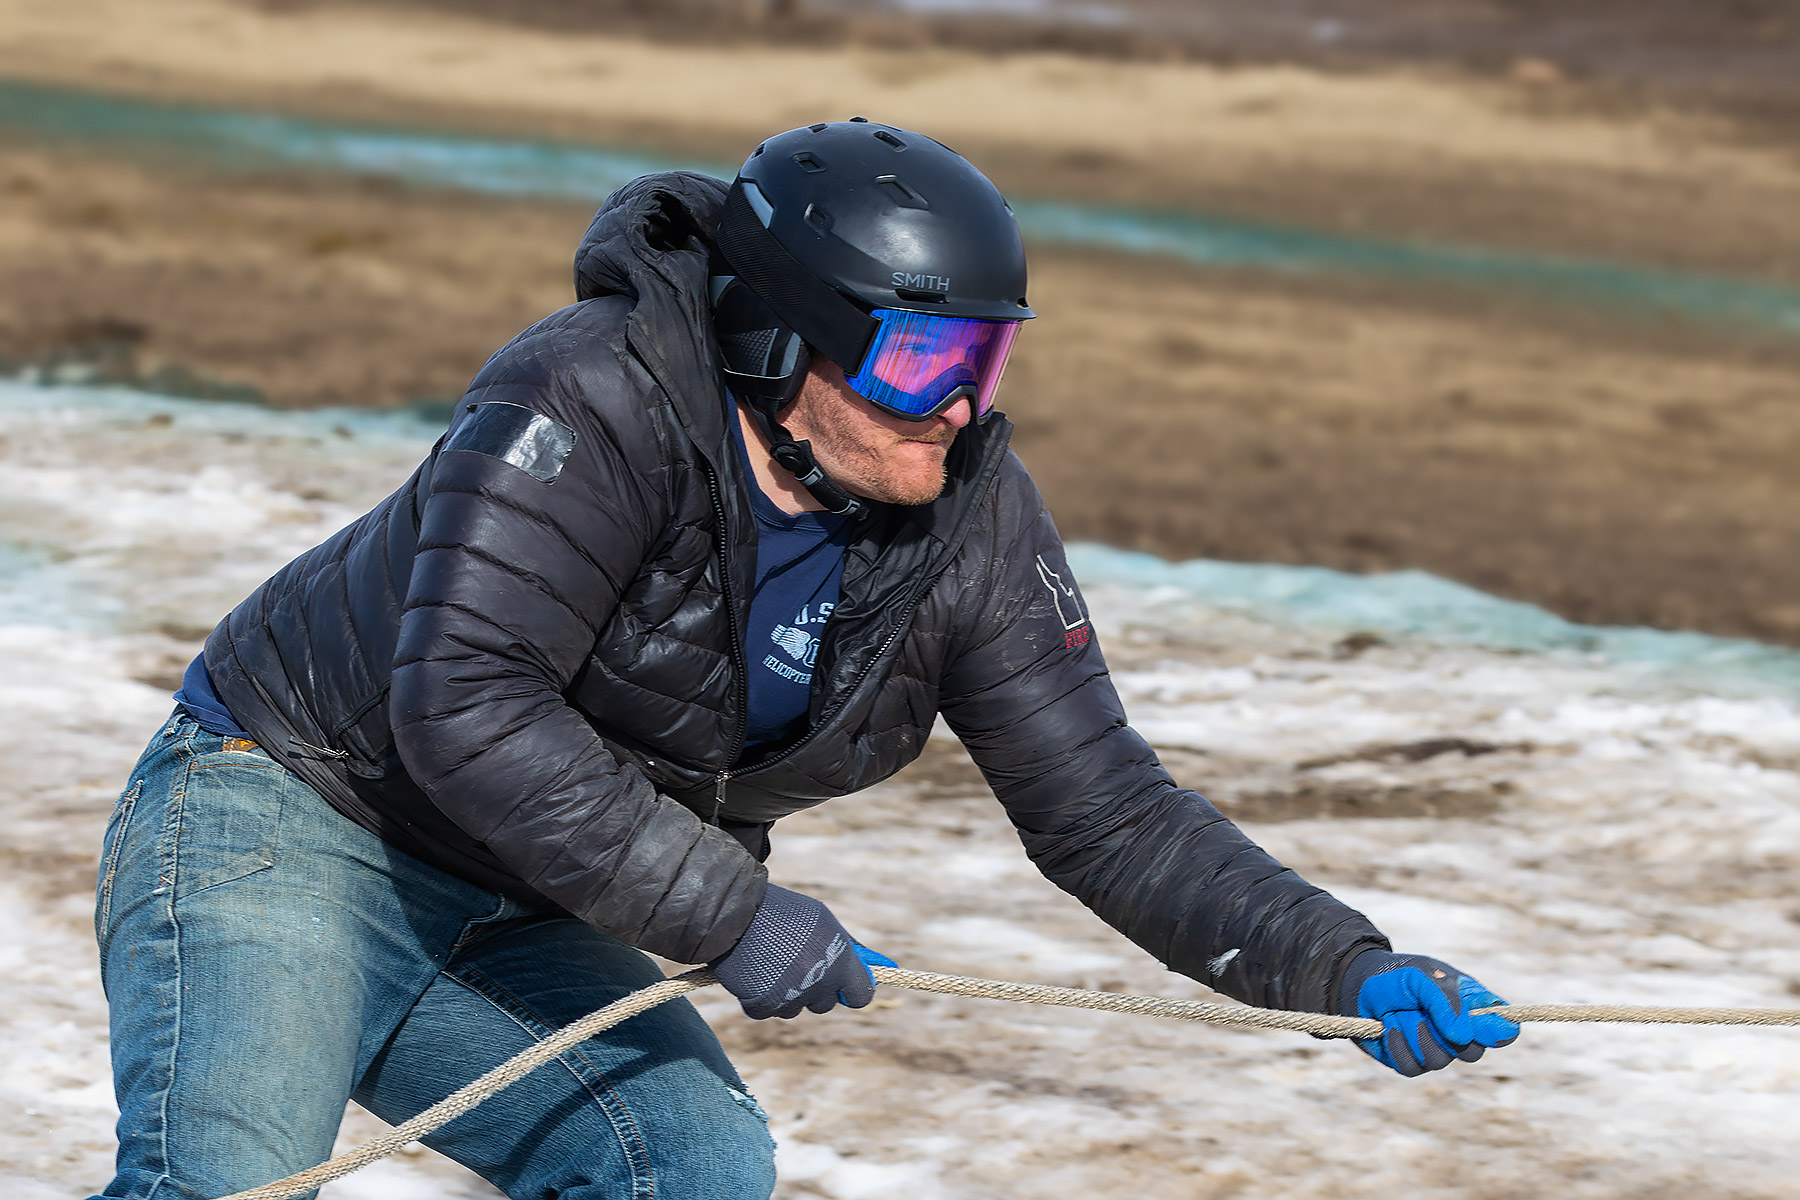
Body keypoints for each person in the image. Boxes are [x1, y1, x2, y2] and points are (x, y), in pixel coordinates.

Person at [90, 119, 1518, 1200]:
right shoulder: (590, 396)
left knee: (691, 1167)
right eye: (919, 359)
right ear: (781, 345)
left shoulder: (968, 519)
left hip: (515, 901)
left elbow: (1109, 814)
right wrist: (733, 916)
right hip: (286, 813)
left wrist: (1336, 966)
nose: (957, 405)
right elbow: (466, 702)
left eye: (988, 362)